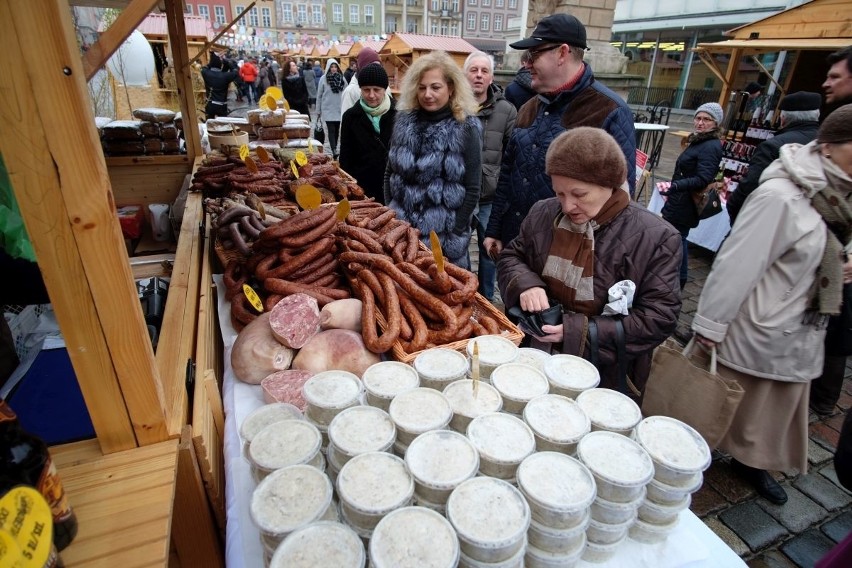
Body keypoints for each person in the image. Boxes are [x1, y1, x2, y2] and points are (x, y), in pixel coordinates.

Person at [691, 105, 852, 505]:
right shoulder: (781, 195)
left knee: (771, 410)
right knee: (718, 402)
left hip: (801, 325)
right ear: (829, 146)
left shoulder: (844, 194)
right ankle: (693, 460)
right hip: (757, 324)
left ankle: (753, 462)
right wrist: (710, 325)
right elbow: (736, 263)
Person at [497, 127, 681, 395]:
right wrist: (526, 284)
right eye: (559, 193)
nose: (567, 206)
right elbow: (513, 255)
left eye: (579, 194)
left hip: (604, 374)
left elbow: (657, 318)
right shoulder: (543, 212)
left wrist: (573, 332)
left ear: (609, 184)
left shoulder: (656, 237)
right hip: (534, 354)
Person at [483, 14, 637, 263]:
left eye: (533, 55)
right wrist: (495, 228)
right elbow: (509, 174)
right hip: (517, 245)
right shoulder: (528, 107)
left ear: (562, 53)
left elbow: (620, 200)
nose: (526, 64)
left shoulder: (609, 111)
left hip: (566, 257)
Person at [384, 50, 482, 270]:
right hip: (403, 233)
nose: (427, 94)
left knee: (445, 297)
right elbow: (389, 172)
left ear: (451, 88)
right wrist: (392, 215)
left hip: (444, 241)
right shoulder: (404, 122)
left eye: (435, 87)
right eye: (422, 87)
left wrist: (456, 230)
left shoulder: (466, 128)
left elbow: (474, 187)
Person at [464, 51, 517, 301]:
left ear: (491, 77)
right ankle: (461, 296)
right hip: (460, 195)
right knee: (458, 248)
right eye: (474, 70)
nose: (478, 75)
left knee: (490, 252)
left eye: (484, 71)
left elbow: (511, 156)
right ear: (465, 75)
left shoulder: (506, 110)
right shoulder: (454, 106)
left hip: (489, 198)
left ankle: (485, 299)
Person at [728, 91, 821, 225]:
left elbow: (749, 187)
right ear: (817, 116)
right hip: (808, 224)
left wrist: (736, 217)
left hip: (768, 220)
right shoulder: (826, 145)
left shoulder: (773, 146)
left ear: (782, 119)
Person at [659, 102, 724, 289]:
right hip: (679, 199)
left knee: (678, 239)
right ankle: (672, 276)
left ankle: (679, 279)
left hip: (686, 202)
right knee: (676, 238)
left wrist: (675, 186)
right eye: (698, 118)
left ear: (715, 123)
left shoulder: (710, 146)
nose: (700, 123)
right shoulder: (699, 140)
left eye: (706, 119)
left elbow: (703, 178)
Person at [340, 64, 396, 203]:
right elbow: (345, 159)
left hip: (394, 190)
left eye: (376, 90)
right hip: (363, 191)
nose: (371, 95)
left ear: (385, 90)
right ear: (360, 90)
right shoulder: (350, 117)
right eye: (366, 90)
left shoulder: (399, 114)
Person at [316, 59, 348, 160]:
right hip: (328, 108)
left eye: (335, 67)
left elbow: (347, 91)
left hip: (339, 108)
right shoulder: (323, 79)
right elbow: (319, 95)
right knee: (331, 130)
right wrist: (318, 111)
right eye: (332, 67)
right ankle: (334, 149)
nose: (333, 69)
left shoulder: (342, 79)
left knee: (337, 129)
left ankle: (334, 149)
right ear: (328, 68)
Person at [341, 48, 381, 115]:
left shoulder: (383, 87)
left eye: (379, 66)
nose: (377, 70)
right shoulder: (350, 91)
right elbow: (346, 121)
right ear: (362, 67)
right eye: (372, 66)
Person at [201, 52, 237, 119]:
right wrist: (227, 62)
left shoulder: (206, 73)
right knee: (223, 124)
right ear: (220, 65)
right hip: (222, 104)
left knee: (209, 123)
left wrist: (213, 60)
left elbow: (205, 67)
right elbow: (235, 71)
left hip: (210, 104)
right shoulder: (225, 76)